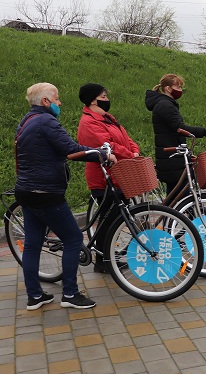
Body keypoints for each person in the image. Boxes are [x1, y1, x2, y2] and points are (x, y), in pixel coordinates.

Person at [15, 83, 116, 310]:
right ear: (45, 102)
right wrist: (101, 154)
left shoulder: (26, 121)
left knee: (32, 244)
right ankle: (70, 294)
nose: (60, 103)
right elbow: (71, 149)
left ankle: (35, 296)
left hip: (26, 191)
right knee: (73, 240)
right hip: (46, 193)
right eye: (57, 99)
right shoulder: (47, 121)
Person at [77, 83, 140, 273]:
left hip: (120, 174)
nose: (106, 99)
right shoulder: (89, 122)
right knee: (108, 219)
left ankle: (108, 257)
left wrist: (134, 150)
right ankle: (102, 260)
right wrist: (129, 153)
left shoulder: (107, 118)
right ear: (93, 100)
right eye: (103, 96)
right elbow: (106, 146)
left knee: (115, 219)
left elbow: (125, 137)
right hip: (103, 177)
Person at [145, 74, 206, 195]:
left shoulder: (165, 104)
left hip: (172, 156)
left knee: (174, 195)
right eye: (178, 87)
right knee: (183, 196)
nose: (181, 91)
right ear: (168, 88)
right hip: (172, 158)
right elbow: (180, 128)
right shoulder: (165, 105)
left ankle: (168, 213)